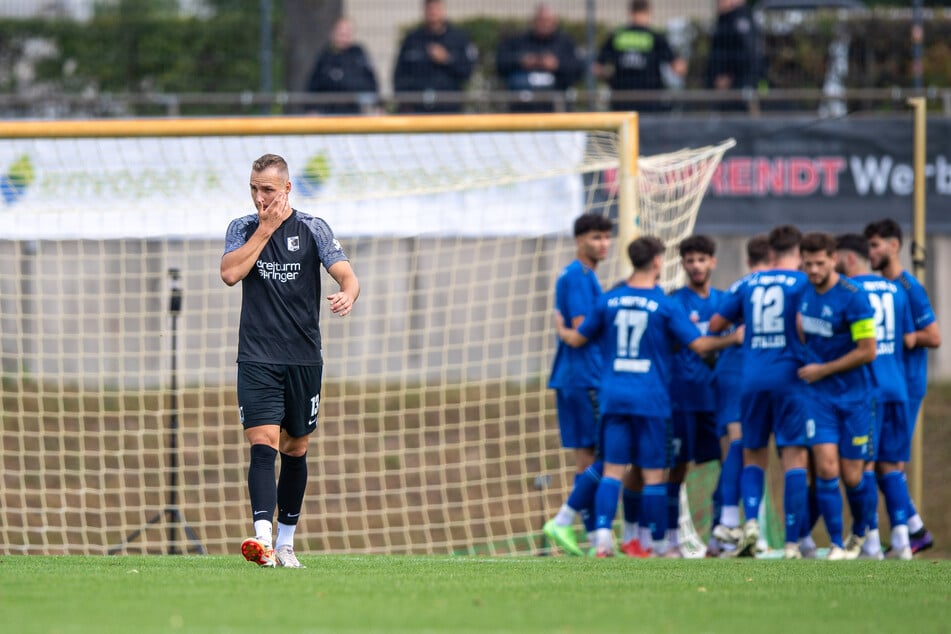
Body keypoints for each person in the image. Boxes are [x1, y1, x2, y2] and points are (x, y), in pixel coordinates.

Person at [556, 236, 740, 557]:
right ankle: (657, 545)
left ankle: (601, 541)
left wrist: (562, 328)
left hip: (613, 395)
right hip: (651, 398)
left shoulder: (609, 300)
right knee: (655, 475)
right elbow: (699, 345)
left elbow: (579, 338)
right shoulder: (665, 304)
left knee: (613, 469)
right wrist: (732, 338)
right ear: (658, 261)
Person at [221, 153, 360, 568]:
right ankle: (262, 541)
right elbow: (230, 274)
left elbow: (347, 275)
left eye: (267, 189)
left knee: (295, 447)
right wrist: (264, 230)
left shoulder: (313, 228)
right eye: (253, 189)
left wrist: (348, 294)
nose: (259, 198)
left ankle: (285, 543)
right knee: (262, 443)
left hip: (302, 359)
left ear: (286, 189)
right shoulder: (243, 228)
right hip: (257, 356)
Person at [709, 225, 811, 560]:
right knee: (794, 458)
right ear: (798, 254)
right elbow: (806, 327)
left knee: (753, 453)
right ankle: (794, 541)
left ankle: (750, 522)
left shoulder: (746, 283)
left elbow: (715, 326)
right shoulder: (802, 283)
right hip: (790, 378)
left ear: (770, 254)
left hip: (751, 378)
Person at [796, 232, 877, 561]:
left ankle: (860, 530)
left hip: (854, 398)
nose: (813, 270)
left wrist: (823, 368)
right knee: (826, 470)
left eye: (820, 263)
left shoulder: (853, 297)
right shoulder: (802, 292)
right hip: (819, 398)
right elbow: (801, 330)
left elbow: (868, 351)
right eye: (808, 263)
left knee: (852, 474)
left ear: (833, 259)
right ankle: (836, 545)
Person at [836, 232, 916, 560]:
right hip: (897, 386)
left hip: (868, 388)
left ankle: (870, 542)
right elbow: (910, 339)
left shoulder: (848, 292)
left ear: (850, 259)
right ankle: (902, 541)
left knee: (865, 466)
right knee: (890, 466)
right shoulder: (896, 289)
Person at [864, 218, 941, 557]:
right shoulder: (884, 286)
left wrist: (909, 337)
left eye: (877, 245)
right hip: (890, 382)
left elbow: (934, 336)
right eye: (869, 246)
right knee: (884, 460)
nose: (871, 252)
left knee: (887, 461)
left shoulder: (908, 287)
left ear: (895, 246)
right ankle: (911, 529)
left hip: (906, 384)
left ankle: (911, 531)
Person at [542, 213, 614, 557]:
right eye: (596, 237)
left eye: (606, 237)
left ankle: (595, 538)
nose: (603, 243)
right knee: (612, 454)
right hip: (584, 377)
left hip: (578, 377)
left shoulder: (584, 276)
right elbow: (580, 332)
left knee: (588, 461)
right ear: (580, 240)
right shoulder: (577, 277)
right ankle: (571, 523)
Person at [708, 234, 769, 557]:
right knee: (746, 446)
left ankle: (737, 526)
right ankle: (734, 525)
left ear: (748, 260)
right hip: (747, 374)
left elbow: (714, 325)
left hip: (737, 375)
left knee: (745, 447)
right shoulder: (790, 285)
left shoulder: (740, 287)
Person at [665, 235, 725, 558]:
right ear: (683, 265)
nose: (696, 266)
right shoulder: (675, 302)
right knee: (676, 467)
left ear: (712, 262)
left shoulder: (725, 301)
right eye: (690, 260)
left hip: (715, 399)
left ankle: (719, 534)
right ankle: (672, 539)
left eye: (702, 259)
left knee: (727, 464)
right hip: (683, 397)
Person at [594, 0, 686, 113]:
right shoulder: (655, 37)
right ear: (648, 12)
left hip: (621, 99)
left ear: (630, 12)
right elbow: (678, 68)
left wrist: (611, 79)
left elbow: (597, 69)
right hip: (649, 99)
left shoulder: (617, 36)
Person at [495, 4, 583, 113]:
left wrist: (557, 65)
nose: (544, 24)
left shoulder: (565, 43)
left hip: (556, 110)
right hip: (521, 111)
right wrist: (521, 61)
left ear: (555, 22)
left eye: (547, 20)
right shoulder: (517, 41)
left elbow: (578, 68)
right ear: (533, 21)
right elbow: (500, 62)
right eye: (540, 20)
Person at [393, 0, 477, 113]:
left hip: (449, 109)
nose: (433, 12)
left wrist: (448, 59)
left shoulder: (459, 38)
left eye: (436, 7)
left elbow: (468, 71)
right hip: (418, 109)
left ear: (443, 10)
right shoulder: (412, 39)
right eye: (429, 8)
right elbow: (399, 75)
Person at [306, 17, 379, 115]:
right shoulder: (325, 57)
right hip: (328, 112)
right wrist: (311, 109)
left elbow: (371, 83)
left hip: (354, 111)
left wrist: (377, 105)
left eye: (347, 33)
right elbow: (314, 85)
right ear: (333, 34)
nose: (344, 37)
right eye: (341, 33)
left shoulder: (358, 54)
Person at [705, 0, 763, 111]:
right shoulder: (724, 20)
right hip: (725, 89)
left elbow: (749, 54)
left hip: (738, 87)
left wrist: (729, 76)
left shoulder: (740, 19)